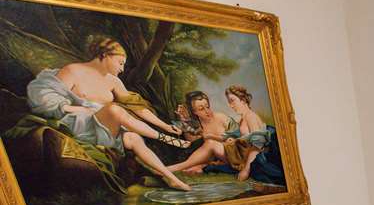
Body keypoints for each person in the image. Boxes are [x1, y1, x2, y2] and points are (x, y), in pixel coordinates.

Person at [27, 37, 191, 191]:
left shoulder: (114, 81)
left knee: (133, 138)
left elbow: (137, 107)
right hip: (79, 125)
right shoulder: (73, 70)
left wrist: (165, 126)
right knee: (114, 109)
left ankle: (171, 178)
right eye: (120, 63)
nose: (122, 69)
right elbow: (45, 95)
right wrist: (72, 108)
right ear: (105, 55)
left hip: (104, 130)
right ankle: (166, 139)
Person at [168, 86, 271, 181]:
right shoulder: (198, 126)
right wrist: (184, 120)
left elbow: (249, 142)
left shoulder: (224, 118)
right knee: (205, 151)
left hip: (239, 155)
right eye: (201, 109)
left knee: (210, 143)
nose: (207, 111)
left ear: (243, 100)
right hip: (231, 155)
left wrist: (246, 170)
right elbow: (194, 143)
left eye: (207, 106)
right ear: (194, 112)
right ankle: (178, 168)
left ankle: (174, 168)